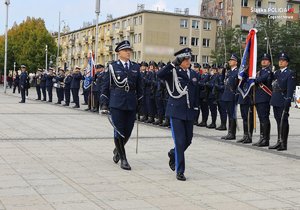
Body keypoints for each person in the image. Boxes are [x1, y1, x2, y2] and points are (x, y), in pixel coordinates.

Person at [100, 40, 143, 170]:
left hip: (131, 102)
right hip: (116, 102)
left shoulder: (135, 67)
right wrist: (104, 103)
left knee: (128, 132)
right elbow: (105, 86)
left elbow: (140, 87)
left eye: (129, 50)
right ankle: (123, 159)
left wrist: (140, 102)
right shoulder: (113, 66)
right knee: (119, 131)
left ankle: (117, 149)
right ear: (119, 53)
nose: (128, 52)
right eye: (125, 50)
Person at [157, 48, 199, 181]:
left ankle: (173, 153)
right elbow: (159, 74)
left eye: (189, 59)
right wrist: (172, 64)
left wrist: (196, 109)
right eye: (185, 59)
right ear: (180, 60)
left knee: (188, 140)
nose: (188, 61)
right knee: (180, 141)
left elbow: (195, 93)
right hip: (176, 111)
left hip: (189, 111)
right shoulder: (173, 72)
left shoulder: (193, 73)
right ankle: (180, 170)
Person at [269, 52, 296, 151]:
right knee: (278, 121)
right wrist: (271, 73)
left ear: (287, 63)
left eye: (283, 61)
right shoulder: (277, 73)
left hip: (283, 99)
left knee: (283, 121)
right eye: (280, 60)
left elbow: (290, 88)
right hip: (275, 98)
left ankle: (283, 143)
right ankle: (279, 141)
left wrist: (288, 100)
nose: (280, 62)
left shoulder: (290, 73)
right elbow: (270, 82)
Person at [252, 53, 273, 147]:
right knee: (261, 119)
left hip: (265, 98)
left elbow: (259, 80)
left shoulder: (268, 72)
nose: (264, 61)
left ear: (269, 62)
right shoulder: (259, 72)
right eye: (262, 60)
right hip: (258, 98)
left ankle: (266, 139)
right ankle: (262, 138)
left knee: (264, 119)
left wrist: (253, 79)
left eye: (266, 60)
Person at [221, 54, 239, 140]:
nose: (229, 61)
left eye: (231, 60)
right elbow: (223, 81)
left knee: (232, 115)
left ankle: (232, 133)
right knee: (229, 114)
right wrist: (224, 70)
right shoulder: (229, 72)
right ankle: (229, 132)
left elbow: (238, 85)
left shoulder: (237, 72)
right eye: (229, 60)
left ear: (236, 62)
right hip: (227, 95)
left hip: (232, 95)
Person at [206, 64, 218, 128]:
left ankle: (214, 123)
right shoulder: (212, 76)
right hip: (210, 95)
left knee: (213, 110)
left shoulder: (216, 76)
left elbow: (213, 85)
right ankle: (212, 122)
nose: (212, 70)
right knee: (211, 109)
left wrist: (208, 84)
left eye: (213, 69)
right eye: (212, 69)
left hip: (213, 95)